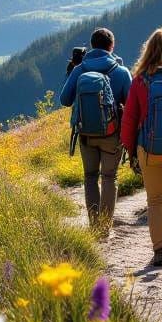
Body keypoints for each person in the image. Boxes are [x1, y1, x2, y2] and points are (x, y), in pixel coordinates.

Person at [121, 28, 162, 267]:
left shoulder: (141, 80)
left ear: (148, 49)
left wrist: (130, 151)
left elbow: (129, 119)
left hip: (148, 149)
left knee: (154, 200)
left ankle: (159, 249)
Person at [60, 28, 132, 235]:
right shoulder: (121, 72)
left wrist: (71, 71)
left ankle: (94, 227)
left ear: (92, 46)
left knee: (90, 177)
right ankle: (105, 228)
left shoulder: (79, 70)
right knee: (109, 177)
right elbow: (131, 105)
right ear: (112, 46)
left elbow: (64, 100)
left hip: (86, 134)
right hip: (112, 134)